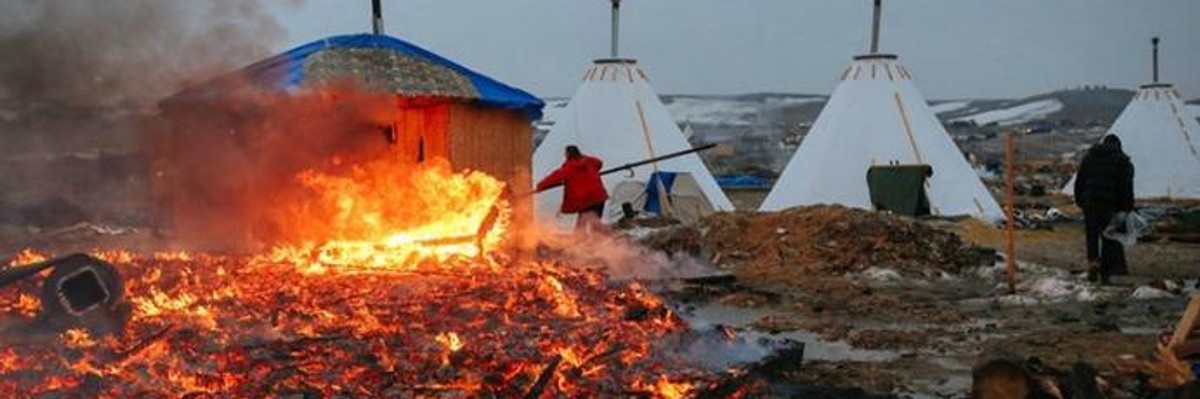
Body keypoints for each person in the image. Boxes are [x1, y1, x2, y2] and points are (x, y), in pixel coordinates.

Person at [1073, 134, 1134, 285]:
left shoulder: (1089, 158)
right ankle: (1106, 273)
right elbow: (1126, 187)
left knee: (1092, 235)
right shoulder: (1123, 161)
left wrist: (1081, 201)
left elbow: (1079, 181)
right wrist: (1127, 207)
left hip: (1091, 202)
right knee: (1109, 237)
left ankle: (1093, 261)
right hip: (1110, 205)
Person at [536, 145, 609, 234]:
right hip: (598, 197)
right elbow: (599, 163)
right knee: (594, 223)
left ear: (567, 154)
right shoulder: (589, 161)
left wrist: (540, 186)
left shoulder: (569, 167)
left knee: (582, 227)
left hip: (585, 200)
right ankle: (603, 242)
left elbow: (554, 178)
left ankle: (593, 243)